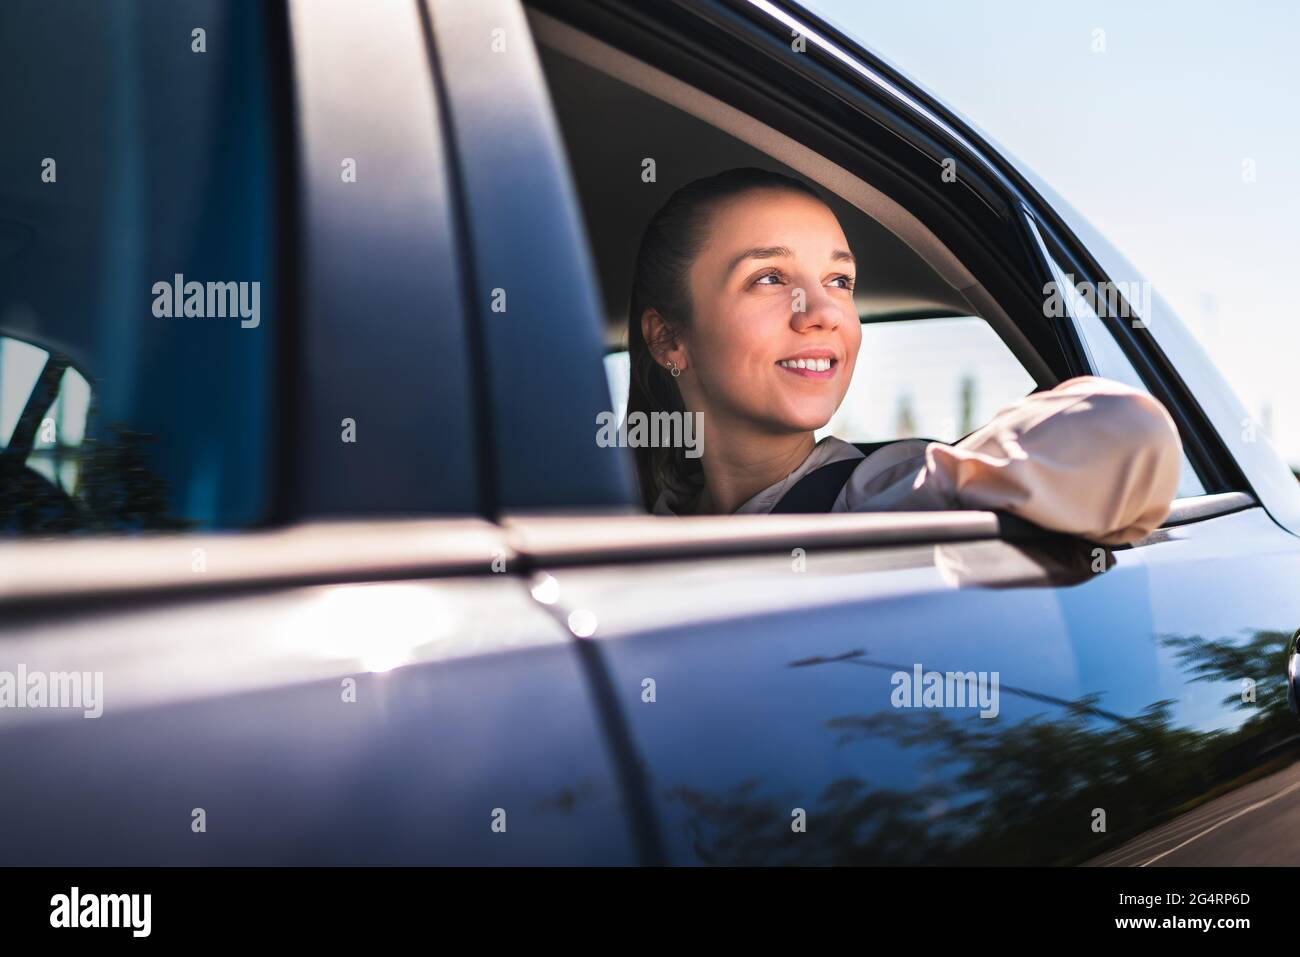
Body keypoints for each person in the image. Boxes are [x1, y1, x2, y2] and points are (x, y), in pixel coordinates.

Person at [626, 167, 1181, 545]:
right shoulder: (641, 515)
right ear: (669, 339)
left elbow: (1130, 430)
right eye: (770, 278)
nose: (823, 312)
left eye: (839, 280)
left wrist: (971, 467)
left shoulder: (877, 495)